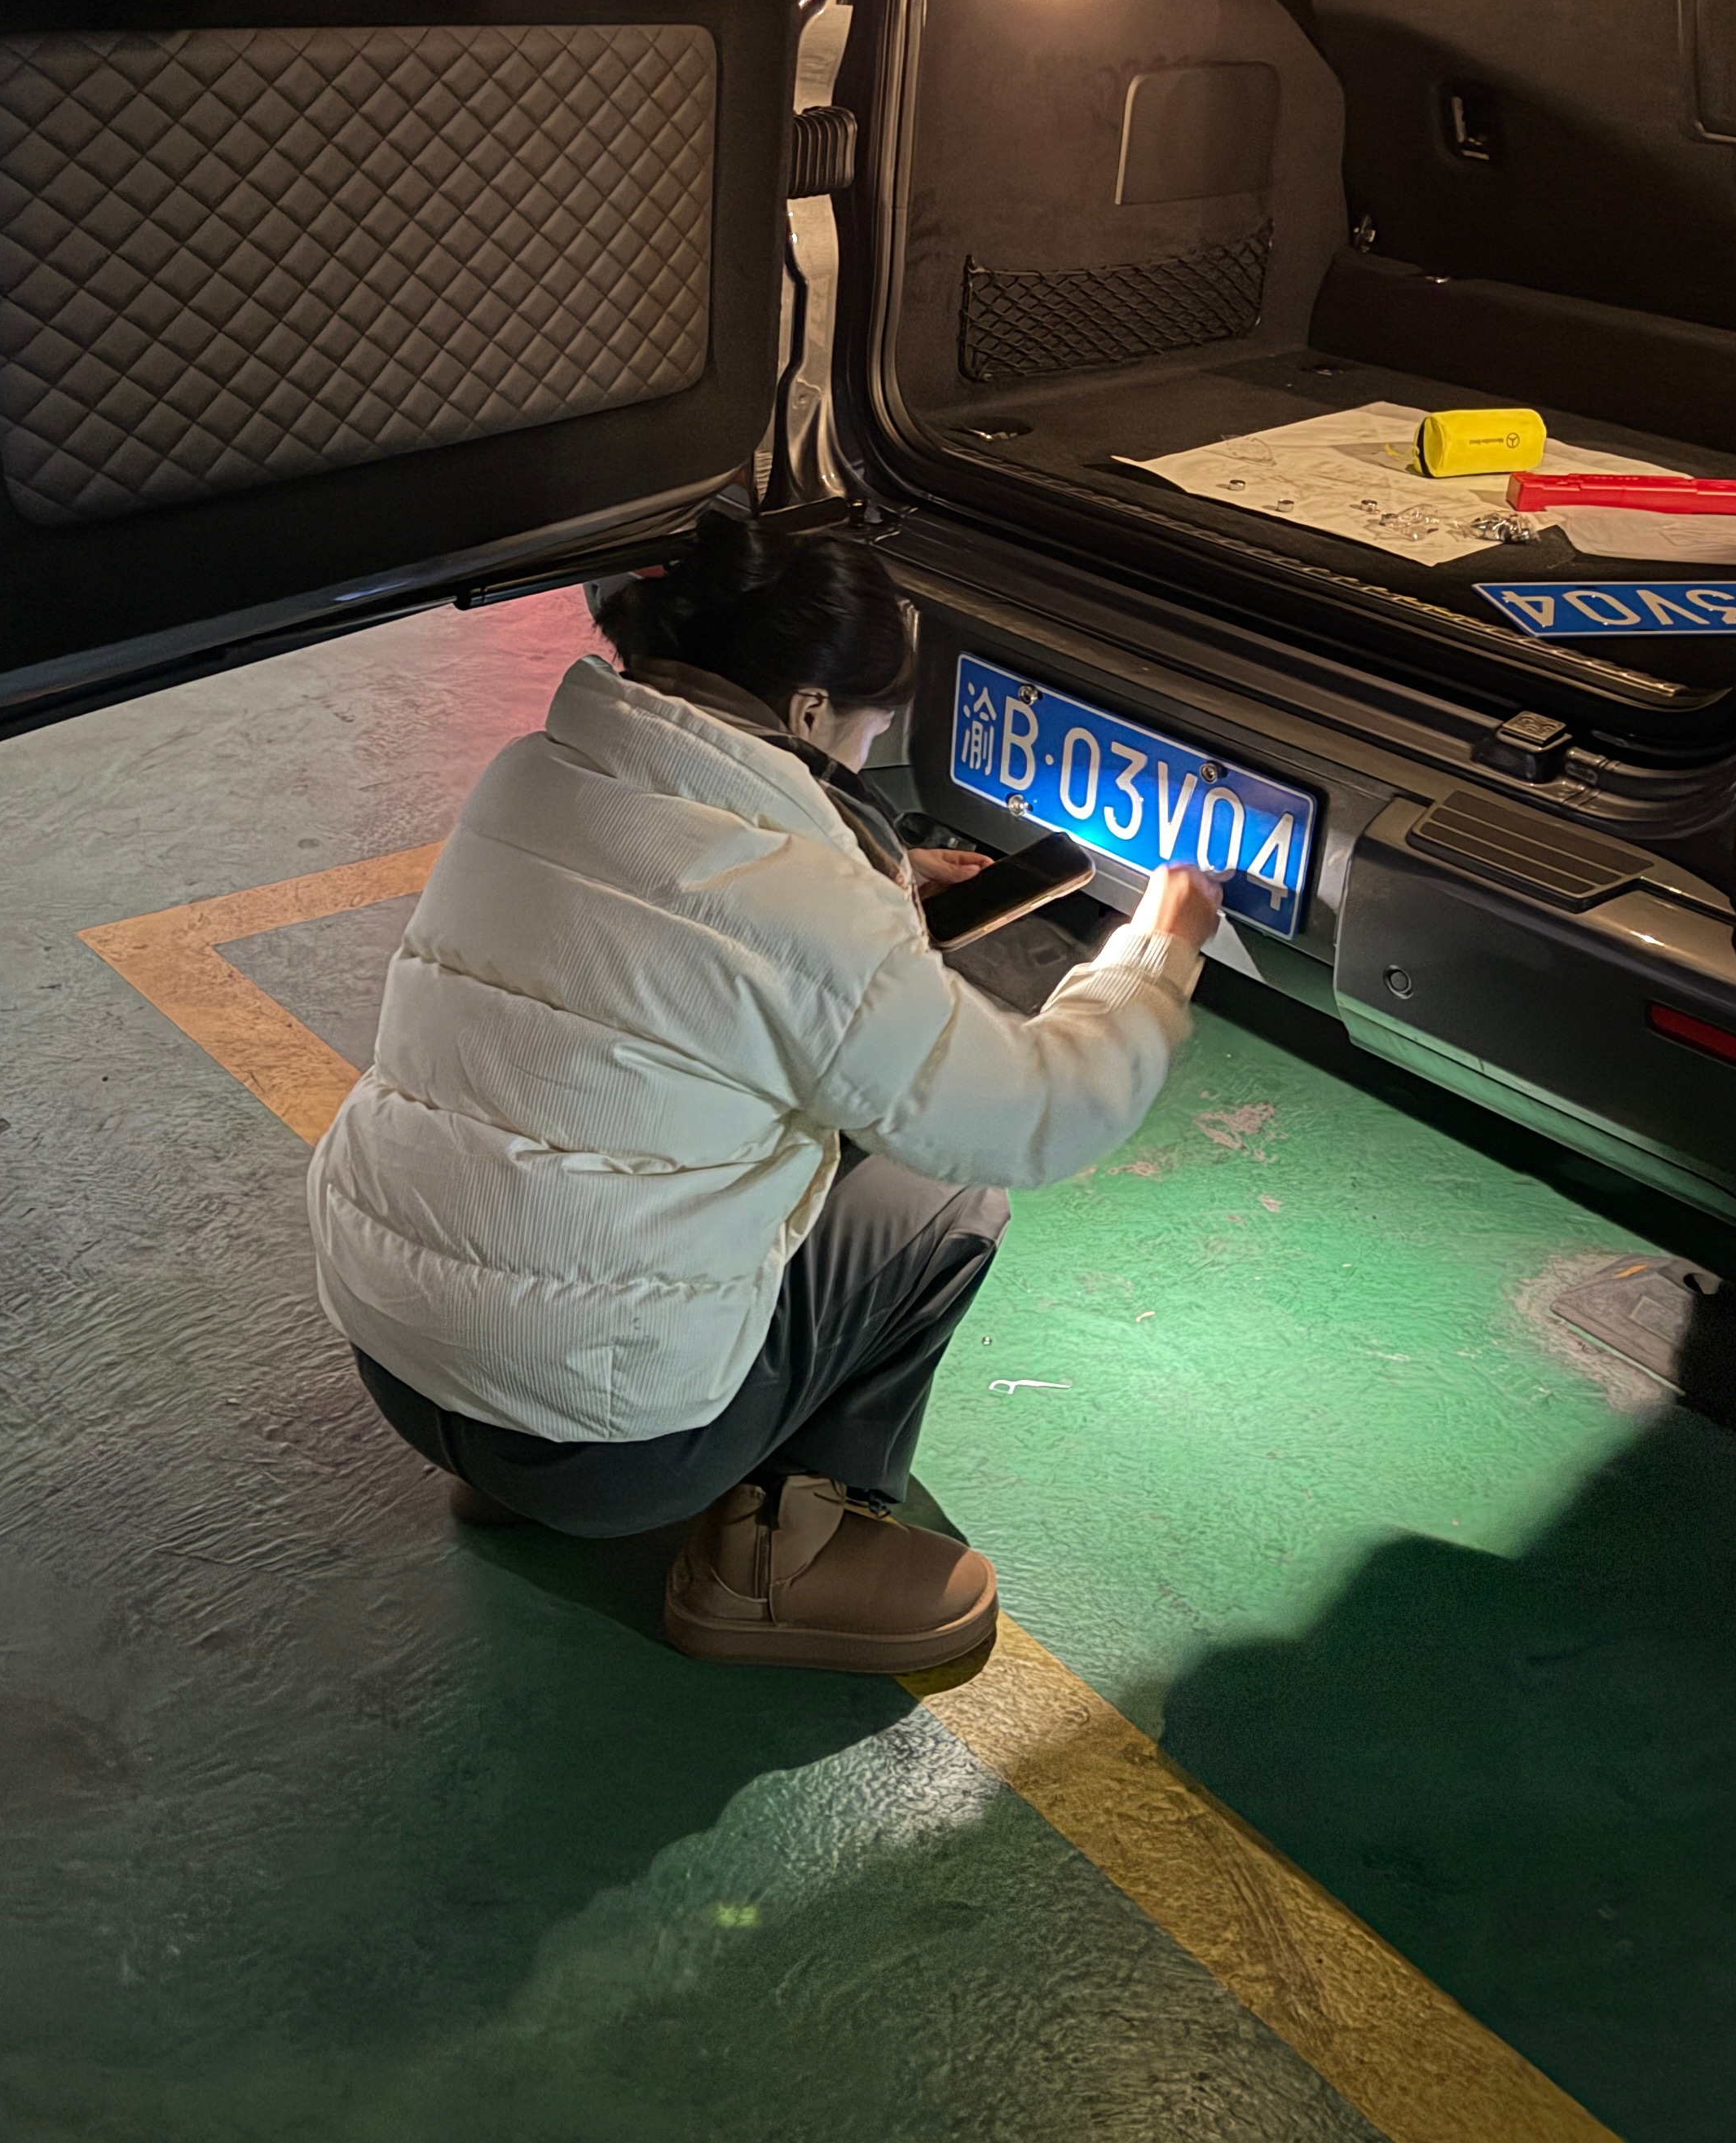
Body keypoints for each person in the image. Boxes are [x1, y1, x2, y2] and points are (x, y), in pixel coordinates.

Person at [310, 514, 1220, 1673]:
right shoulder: (806, 906)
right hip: (610, 1454)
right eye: (867, 728)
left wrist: (874, 886)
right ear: (808, 710)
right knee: (946, 1199)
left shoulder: (531, 778)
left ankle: (508, 1472)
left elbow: (684, 935)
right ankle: (776, 1559)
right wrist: (1156, 956)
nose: (865, 752)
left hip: (403, 1363)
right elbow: (1038, 1114)